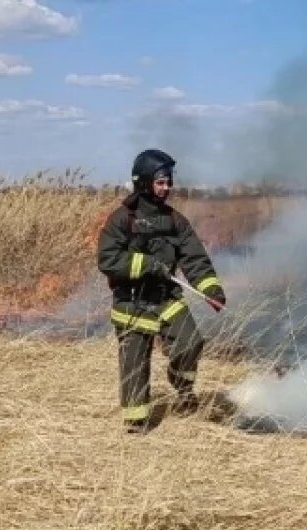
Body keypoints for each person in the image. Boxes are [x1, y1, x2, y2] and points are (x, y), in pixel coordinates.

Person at [96, 149, 227, 432]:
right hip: (131, 304)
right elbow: (107, 259)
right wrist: (145, 264)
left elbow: (195, 258)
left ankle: (182, 388)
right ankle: (136, 422)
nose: (167, 187)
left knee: (191, 342)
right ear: (144, 182)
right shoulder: (121, 219)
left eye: (168, 182)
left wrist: (212, 289)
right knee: (134, 365)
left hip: (166, 298)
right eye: (160, 182)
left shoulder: (176, 220)